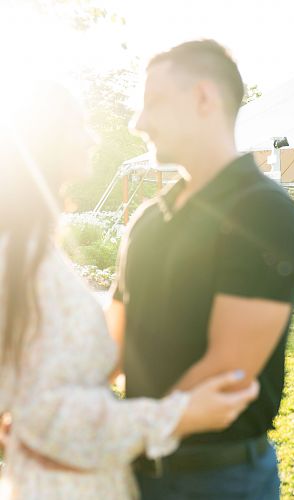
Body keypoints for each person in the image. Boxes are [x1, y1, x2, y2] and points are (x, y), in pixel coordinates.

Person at [0, 82, 259, 500]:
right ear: (43, 139)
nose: (92, 137)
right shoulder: (14, 256)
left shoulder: (32, 250)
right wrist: (179, 415)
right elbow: (52, 413)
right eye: (79, 125)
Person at [107, 40, 294, 499]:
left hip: (217, 480)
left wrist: (119, 435)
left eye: (153, 103)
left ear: (203, 98)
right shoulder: (148, 219)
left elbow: (227, 371)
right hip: (133, 471)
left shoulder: (262, 212)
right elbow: (110, 349)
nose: (138, 123)